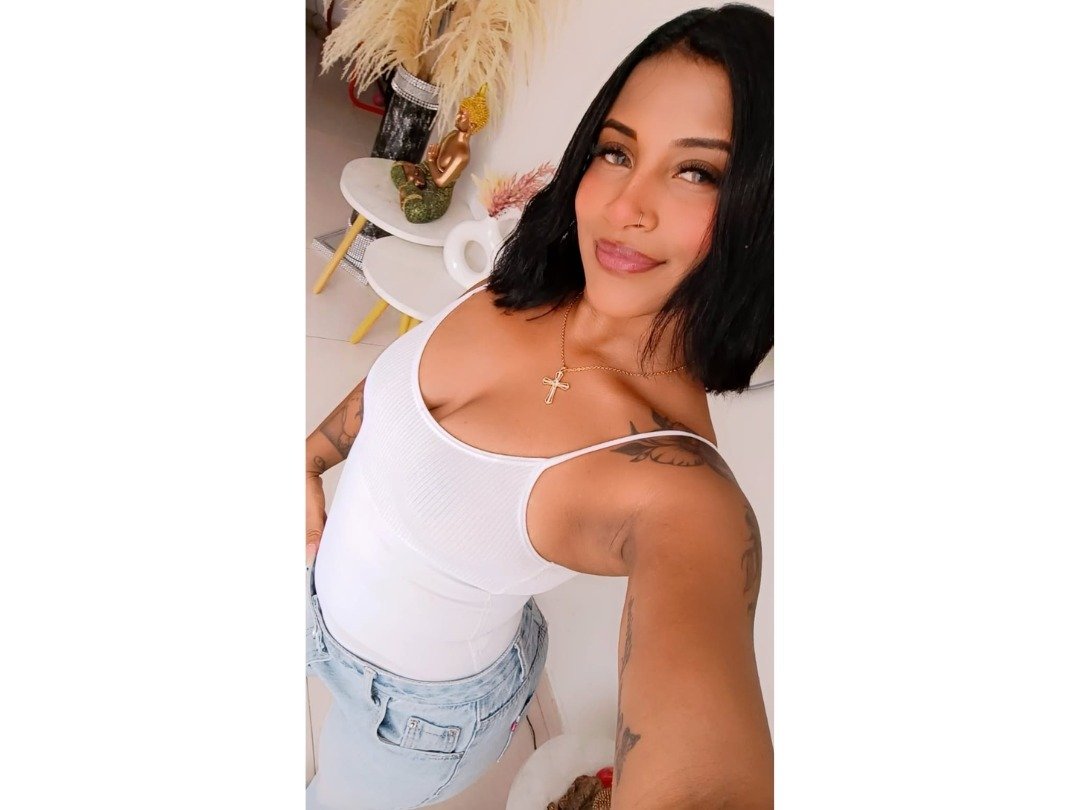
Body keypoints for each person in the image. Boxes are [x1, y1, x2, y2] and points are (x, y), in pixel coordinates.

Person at [305, 4, 774, 808]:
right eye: (617, 151)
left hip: (410, 721)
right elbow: (401, 396)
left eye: (697, 172)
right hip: (324, 603)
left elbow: (706, 772)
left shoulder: (678, 491)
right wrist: (311, 456)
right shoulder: (540, 271)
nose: (625, 206)